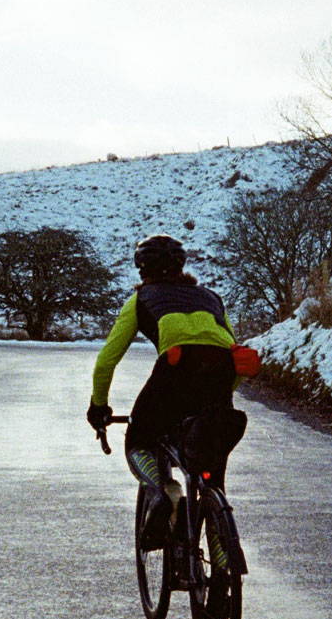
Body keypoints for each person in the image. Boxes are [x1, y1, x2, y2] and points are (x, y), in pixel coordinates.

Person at [87, 234, 246, 552]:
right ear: (181, 266)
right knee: (212, 476)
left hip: (174, 373)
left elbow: (107, 360)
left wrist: (99, 407)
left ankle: (160, 492)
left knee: (139, 442)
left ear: (141, 268)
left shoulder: (142, 299)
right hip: (220, 376)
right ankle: (223, 568)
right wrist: (218, 396)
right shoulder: (211, 298)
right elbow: (233, 351)